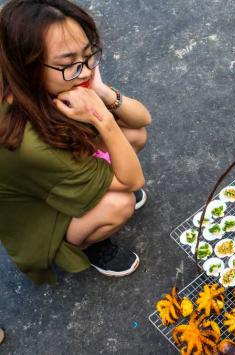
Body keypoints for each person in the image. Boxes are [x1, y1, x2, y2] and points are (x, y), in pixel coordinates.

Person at [0, 0, 151, 285]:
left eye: (88, 54)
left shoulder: (19, 63)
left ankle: (90, 193)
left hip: (52, 175)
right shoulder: (29, 142)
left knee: (133, 134)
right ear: (26, 65)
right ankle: (89, 245)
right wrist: (102, 120)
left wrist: (103, 92)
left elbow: (143, 120)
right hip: (38, 211)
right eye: (68, 64)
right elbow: (132, 180)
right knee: (120, 204)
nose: (84, 72)